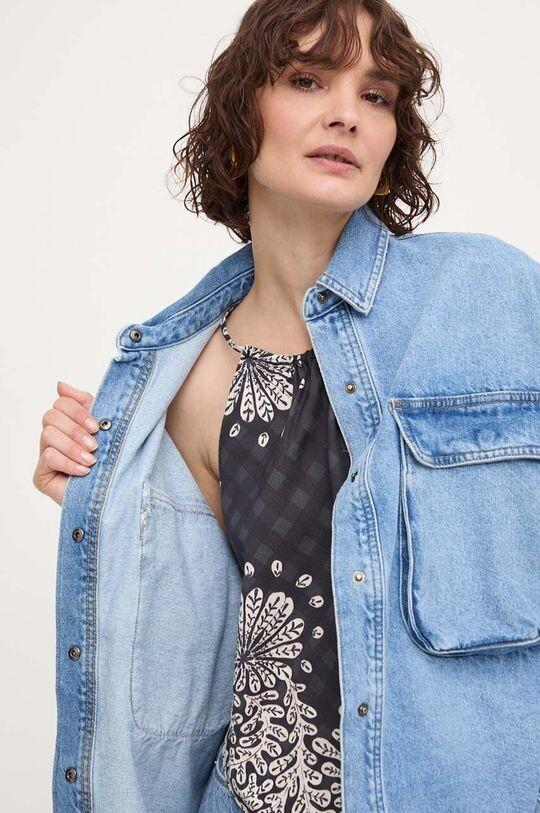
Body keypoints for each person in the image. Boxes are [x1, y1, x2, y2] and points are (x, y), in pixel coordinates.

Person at [33, 1, 540, 812]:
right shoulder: (190, 378)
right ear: (243, 120)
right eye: (308, 80)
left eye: (375, 95)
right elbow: (184, 651)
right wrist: (101, 492)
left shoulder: (490, 297)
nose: (346, 113)